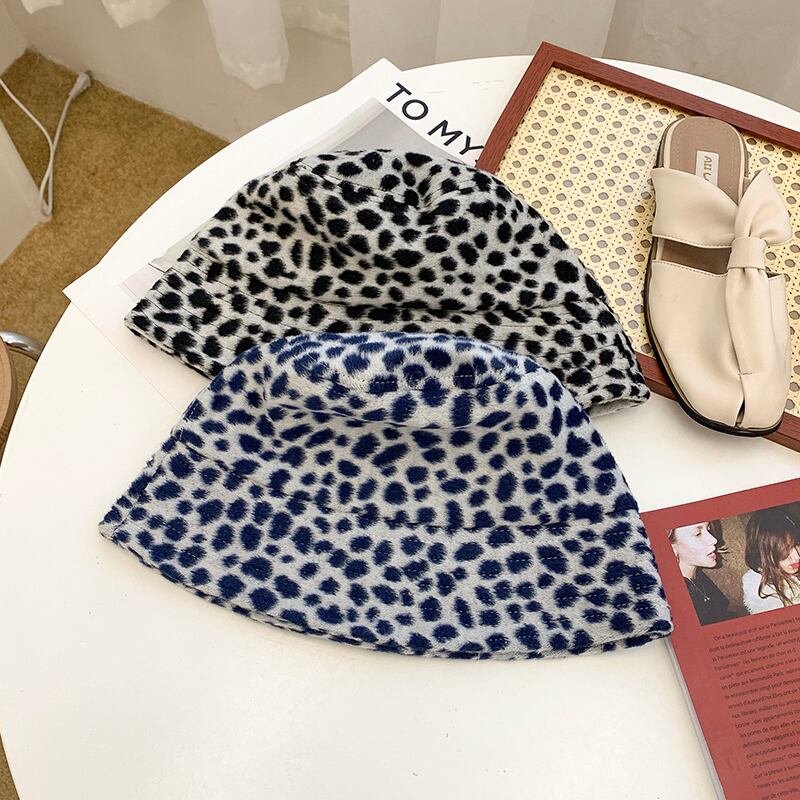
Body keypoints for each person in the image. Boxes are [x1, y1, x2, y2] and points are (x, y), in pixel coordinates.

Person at [669, 521, 733, 625]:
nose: (714, 540)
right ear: (671, 549)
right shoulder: (674, 602)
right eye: (697, 534)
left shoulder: (698, 578)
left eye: (708, 529)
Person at [742, 508, 800, 614]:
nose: (797, 556)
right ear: (766, 555)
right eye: (785, 550)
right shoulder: (761, 591)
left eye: (797, 544)